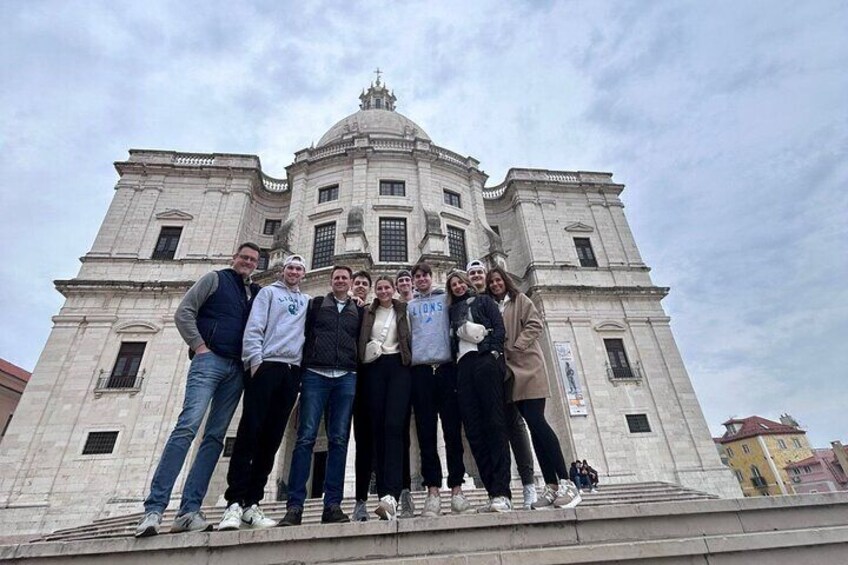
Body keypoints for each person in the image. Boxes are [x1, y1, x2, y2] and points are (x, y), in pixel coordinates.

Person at [135, 243, 262, 537]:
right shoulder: (214, 279)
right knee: (188, 426)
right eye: (244, 257)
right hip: (210, 361)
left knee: (215, 437)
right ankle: (154, 509)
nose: (248, 262)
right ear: (235, 258)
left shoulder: (254, 293)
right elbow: (184, 313)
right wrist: (199, 347)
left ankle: (189, 510)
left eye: (253, 260)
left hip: (236, 369)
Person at [217, 254, 309, 530]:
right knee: (249, 432)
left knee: (272, 439)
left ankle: (252, 503)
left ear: (304, 274)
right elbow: (255, 326)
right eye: (290, 268)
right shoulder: (268, 292)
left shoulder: (305, 301)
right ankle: (233, 502)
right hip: (266, 366)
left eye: (298, 269)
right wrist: (254, 363)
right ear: (282, 271)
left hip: (292, 371)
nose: (294, 272)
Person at [486, 266, 581, 509]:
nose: (496, 284)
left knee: (538, 422)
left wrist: (517, 345)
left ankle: (568, 482)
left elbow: (535, 324)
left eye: (498, 280)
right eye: (492, 282)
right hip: (511, 374)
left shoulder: (520, 299)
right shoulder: (493, 306)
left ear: (505, 281)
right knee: (532, 428)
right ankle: (550, 486)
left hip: (529, 367)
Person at [280, 266, 363, 526]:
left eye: (344, 278)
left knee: (339, 440)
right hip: (315, 374)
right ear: (331, 281)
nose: (340, 281)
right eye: (336, 277)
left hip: (346, 376)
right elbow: (299, 333)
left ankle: (333, 505)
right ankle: (294, 506)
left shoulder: (358, 310)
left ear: (350, 283)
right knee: (305, 438)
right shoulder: (315, 305)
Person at [467, 259, 537, 510]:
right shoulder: (471, 302)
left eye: (480, 273)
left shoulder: (506, 300)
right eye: (471, 274)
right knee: (491, 427)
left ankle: (528, 483)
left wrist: (510, 350)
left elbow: (530, 325)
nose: (477, 277)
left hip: (509, 367)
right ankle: (497, 491)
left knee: (514, 423)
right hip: (484, 371)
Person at [408, 262, 473, 516]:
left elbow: (465, 302)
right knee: (425, 435)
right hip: (421, 371)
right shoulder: (410, 306)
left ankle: (457, 489)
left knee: (452, 432)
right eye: (417, 276)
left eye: (425, 275)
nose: (422, 279)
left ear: (431, 277)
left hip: (446, 369)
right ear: (413, 281)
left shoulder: (446, 299)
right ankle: (432, 491)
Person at [446, 270, 512, 512]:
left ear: (467, 283)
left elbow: (499, 328)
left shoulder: (485, 301)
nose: (458, 287)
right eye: (453, 285)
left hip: (485, 360)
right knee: (473, 430)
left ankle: (503, 492)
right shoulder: (451, 311)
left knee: (495, 424)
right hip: (463, 367)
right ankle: (492, 492)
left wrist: (494, 354)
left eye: (460, 283)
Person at [358, 276, 412, 520]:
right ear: (374, 291)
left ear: (394, 289)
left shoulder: (404, 308)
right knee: (378, 429)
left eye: (386, 287)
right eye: (379, 288)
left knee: (394, 427)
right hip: (374, 368)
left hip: (399, 367)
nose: (383, 291)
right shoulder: (367, 311)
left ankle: (393, 493)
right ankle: (382, 493)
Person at [350, 270, 375, 522]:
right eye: (356, 283)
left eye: (363, 284)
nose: (359, 287)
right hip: (345, 377)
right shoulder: (343, 307)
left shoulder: (370, 310)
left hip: (370, 379)